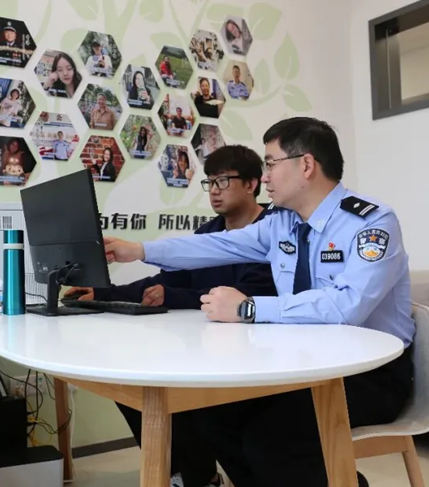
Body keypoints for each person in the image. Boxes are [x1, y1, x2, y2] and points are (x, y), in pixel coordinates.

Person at [101, 117, 415, 487]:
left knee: (270, 438)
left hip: (369, 374)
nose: (264, 177)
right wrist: (140, 250)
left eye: (270, 163)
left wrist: (248, 308)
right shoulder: (281, 223)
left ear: (306, 164)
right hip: (304, 363)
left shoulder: (370, 223)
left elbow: (347, 306)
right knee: (214, 414)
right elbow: (215, 245)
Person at [65, 145, 278, 487]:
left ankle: (197, 474)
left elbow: (251, 293)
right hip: (205, 342)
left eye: (223, 181)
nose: (215, 190)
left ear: (252, 184)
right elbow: (168, 280)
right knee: (134, 383)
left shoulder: (274, 228)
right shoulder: (208, 232)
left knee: (189, 401)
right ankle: (192, 475)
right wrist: (102, 293)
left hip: (254, 351)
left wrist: (175, 295)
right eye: (210, 183)